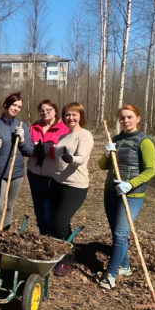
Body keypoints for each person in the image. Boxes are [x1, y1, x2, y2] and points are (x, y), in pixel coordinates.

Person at [99, 105, 155, 290]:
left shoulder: (144, 141)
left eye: (130, 117)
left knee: (121, 234)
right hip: (111, 191)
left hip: (131, 194)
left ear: (138, 118)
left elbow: (150, 170)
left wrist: (130, 184)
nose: (126, 121)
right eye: (122, 118)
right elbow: (103, 166)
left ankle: (111, 274)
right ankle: (124, 266)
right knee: (117, 233)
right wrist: (107, 153)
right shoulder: (115, 139)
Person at [48, 102, 93, 276]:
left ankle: (67, 257)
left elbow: (81, 158)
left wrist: (71, 158)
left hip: (75, 186)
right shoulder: (62, 137)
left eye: (74, 115)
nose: (71, 118)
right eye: (68, 115)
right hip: (57, 183)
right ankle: (61, 250)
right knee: (56, 221)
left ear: (80, 116)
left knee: (60, 220)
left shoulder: (85, 135)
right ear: (63, 118)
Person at [0, 92, 33, 232]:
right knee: (0, 207)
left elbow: (29, 151)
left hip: (16, 172)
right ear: (6, 105)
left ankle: (4, 237)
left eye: (19, 106)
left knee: (9, 206)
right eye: (14, 105)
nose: (16, 108)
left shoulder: (22, 126)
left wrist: (23, 140)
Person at [28, 99, 69, 234]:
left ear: (55, 111)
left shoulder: (64, 128)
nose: (45, 113)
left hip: (54, 174)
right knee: (39, 206)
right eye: (42, 110)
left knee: (53, 206)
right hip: (35, 172)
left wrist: (51, 150)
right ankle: (43, 233)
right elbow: (27, 148)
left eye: (48, 110)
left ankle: (57, 235)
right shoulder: (34, 127)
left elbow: (68, 150)